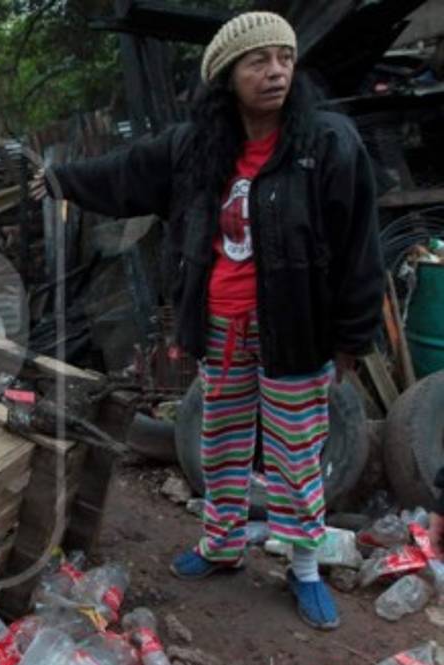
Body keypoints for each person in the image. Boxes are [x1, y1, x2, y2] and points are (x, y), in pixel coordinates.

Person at [30, 12, 383, 630]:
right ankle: (220, 546)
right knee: (220, 443)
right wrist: (61, 179)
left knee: (296, 453)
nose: (275, 72)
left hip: (297, 332)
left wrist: (352, 338)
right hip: (222, 328)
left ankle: (303, 566)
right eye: (258, 61)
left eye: (284, 59)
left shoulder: (325, 144)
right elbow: (125, 173)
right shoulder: (195, 148)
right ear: (226, 77)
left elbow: (359, 247)